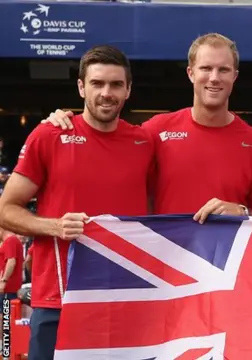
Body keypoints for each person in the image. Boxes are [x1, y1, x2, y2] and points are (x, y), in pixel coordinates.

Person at [0, 45, 154, 360]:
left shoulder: (144, 142)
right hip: (59, 299)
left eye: (115, 84)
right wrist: (53, 225)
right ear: (81, 87)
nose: (106, 93)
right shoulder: (49, 135)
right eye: (97, 83)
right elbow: (5, 209)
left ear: (128, 90)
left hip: (127, 298)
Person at [43, 33, 252, 220]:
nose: (214, 78)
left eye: (223, 70)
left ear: (235, 76)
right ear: (191, 73)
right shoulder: (154, 131)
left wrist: (242, 212)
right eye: (205, 68)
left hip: (225, 271)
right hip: (164, 271)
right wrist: (66, 121)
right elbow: (104, 140)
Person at [0, 228, 25, 300]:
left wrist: (3, 281)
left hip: (8, 289)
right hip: (8, 288)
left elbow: (11, 261)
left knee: (6, 310)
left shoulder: (10, 241)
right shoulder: (11, 241)